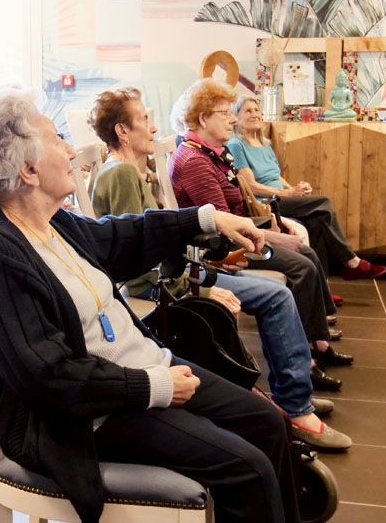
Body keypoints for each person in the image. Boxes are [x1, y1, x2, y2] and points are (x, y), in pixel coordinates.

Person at [0, 90, 303, 523]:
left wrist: (207, 219)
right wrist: (155, 387)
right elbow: (48, 377)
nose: (69, 148)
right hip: (90, 416)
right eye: (57, 139)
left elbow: (119, 237)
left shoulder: (51, 220)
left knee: (269, 425)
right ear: (28, 170)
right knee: (247, 469)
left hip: (141, 372)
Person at [89, 87, 351, 450]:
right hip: (163, 289)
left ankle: (293, 399)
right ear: (122, 130)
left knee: (278, 290)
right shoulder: (120, 176)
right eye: (145, 119)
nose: (153, 128)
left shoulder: (134, 173)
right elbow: (139, 273)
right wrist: (208, 285)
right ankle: (295, 408)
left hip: (183, 275)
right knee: (276, 296)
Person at [169, 78, 354, 380]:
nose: (232, 119)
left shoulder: (209, 154)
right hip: (227, 250)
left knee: (307, 253)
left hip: (240, 236)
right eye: (225, 112)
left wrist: (272, 229)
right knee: (301, 266)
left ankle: (318, 344)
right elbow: (226, 228)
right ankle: (307, 357)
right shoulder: (195, 162)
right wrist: (275, 236)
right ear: (203, 118)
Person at [230, 95, 386, 280]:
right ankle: (351, 261)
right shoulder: (236, 144)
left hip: (282, 196)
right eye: (248, 111)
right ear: (237, 117)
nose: (254, 114)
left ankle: (323, 289)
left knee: (318, 218)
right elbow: (251, 186)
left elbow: (275, 176)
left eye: (256, 110)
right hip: (264, 202)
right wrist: (288, 193)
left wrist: (297, 189)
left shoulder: (265, 144)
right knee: (324, 202)